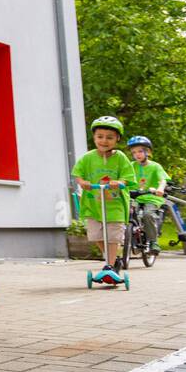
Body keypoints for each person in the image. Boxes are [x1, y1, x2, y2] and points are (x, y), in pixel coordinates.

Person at [71, 116, 137, 282]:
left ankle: (109, 266)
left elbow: (128, 178)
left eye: (109, 137)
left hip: (115, 205)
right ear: (94, 138)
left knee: (113, 236)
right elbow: (77, 174)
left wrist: (119, 182)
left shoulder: (120, 157)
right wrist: (83, 182)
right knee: (96, 235)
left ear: (117, 139)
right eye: (100, 136)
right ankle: (113, 260)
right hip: (93, 204)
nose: (104, 141)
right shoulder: (88, 157)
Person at [127, 135, 169, 248]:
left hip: (151, 197)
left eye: (140, 151)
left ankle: (153, 241)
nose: (137, 154)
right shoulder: (131, 166)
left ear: (148, 152)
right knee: (125, 213)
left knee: (147, 214)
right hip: (135, 197)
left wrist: (160, 188)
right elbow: (124, 177)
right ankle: (127, 237)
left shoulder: (155, 166)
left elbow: (162, 179)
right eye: (134, 152)